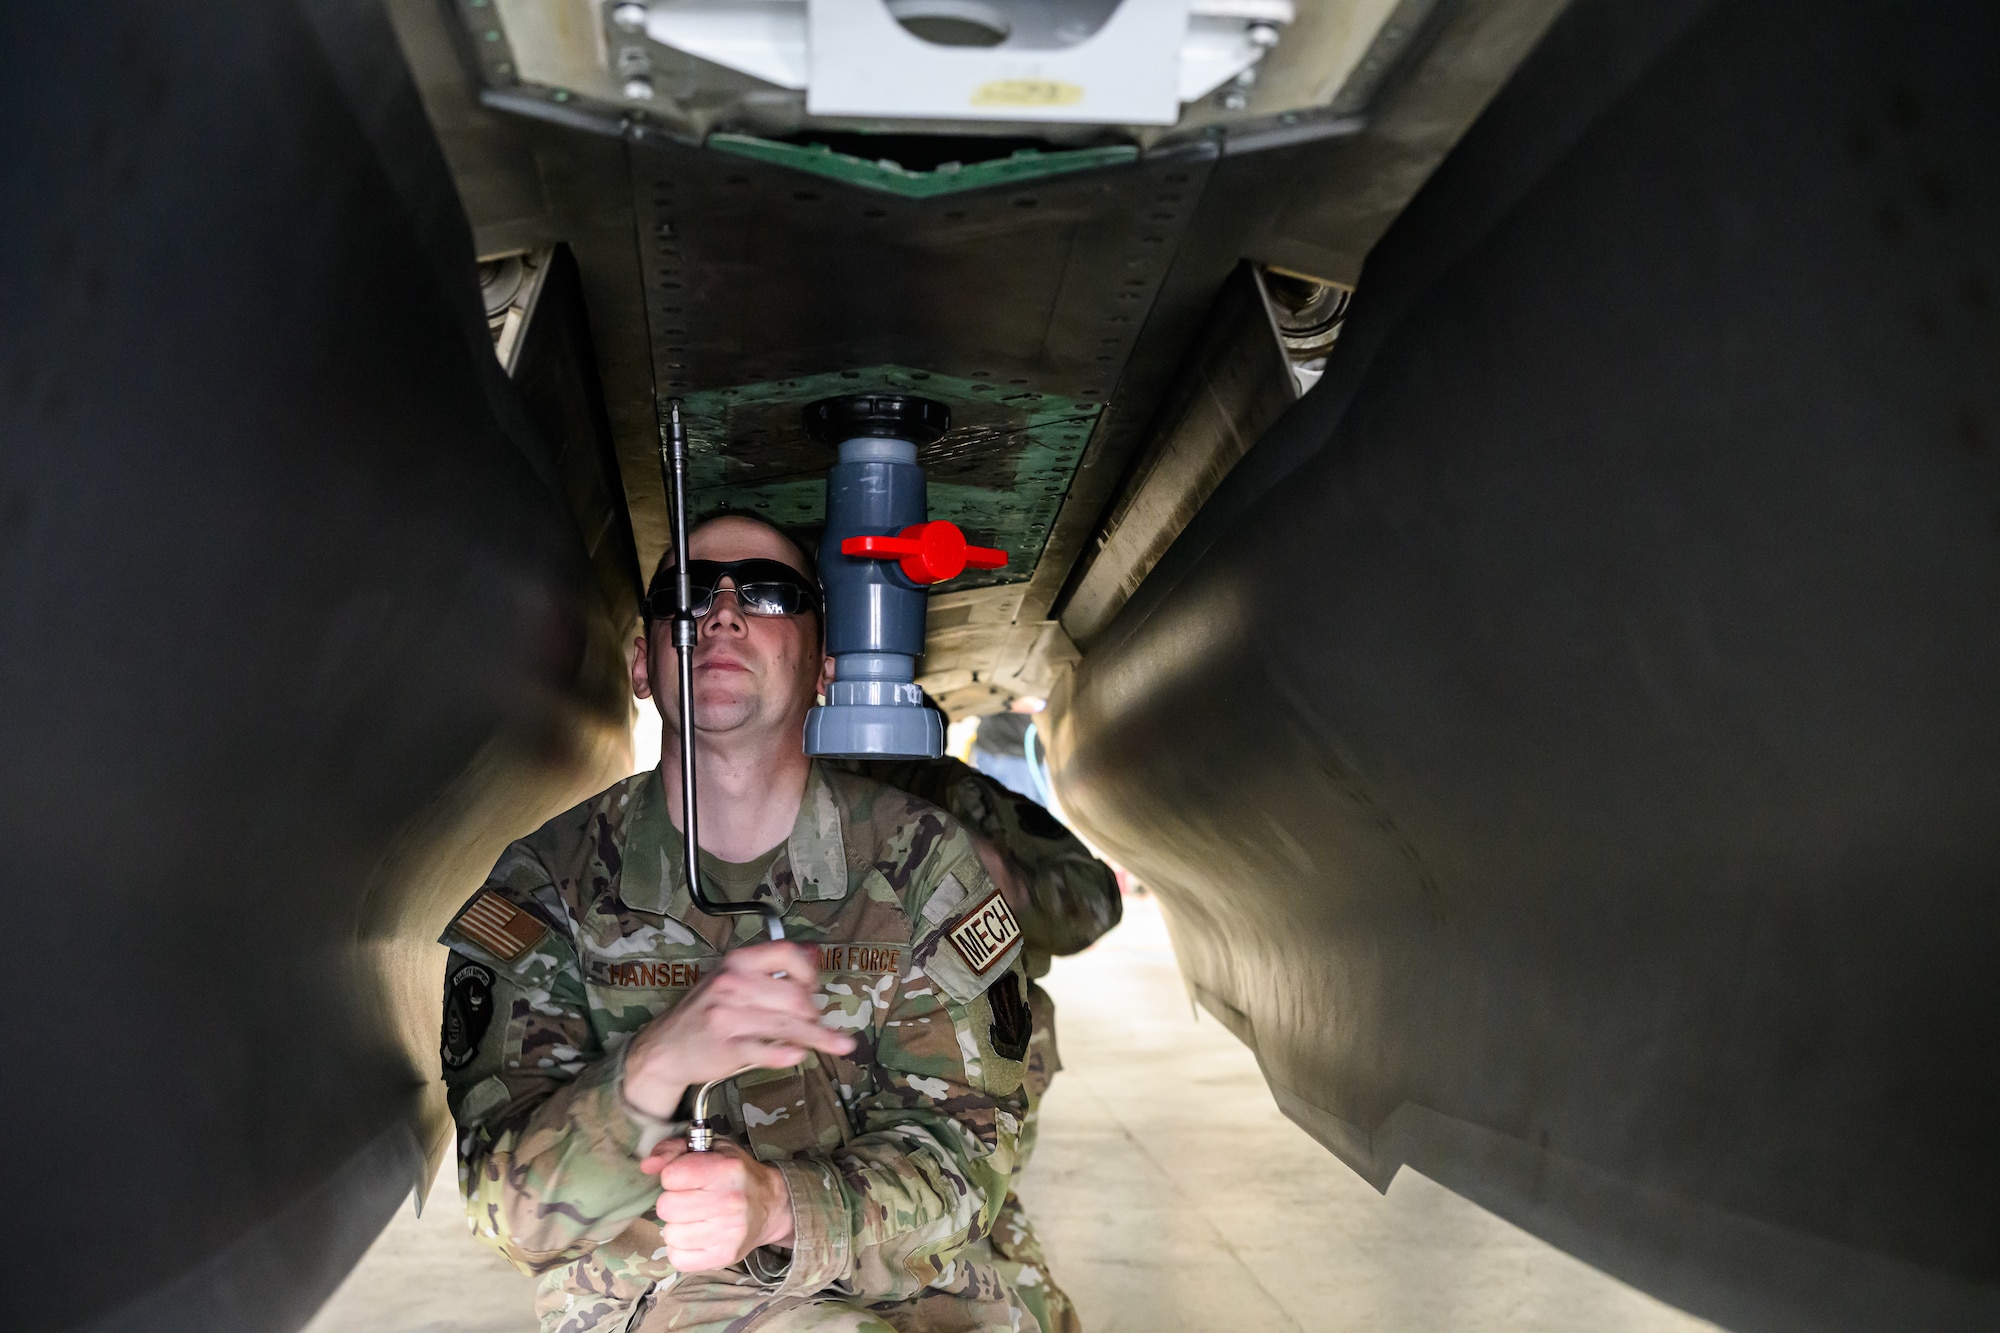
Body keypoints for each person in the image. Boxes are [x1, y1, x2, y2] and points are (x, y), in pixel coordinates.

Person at [437, 515, 1040, 1333]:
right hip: (656, 1296)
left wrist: (780, 1205)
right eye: (686, 595)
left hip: (898, 1287)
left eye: (769, 594)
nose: (721, 613)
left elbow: (971, 1154)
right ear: (643, 663)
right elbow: (508, 1214)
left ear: (824, 669)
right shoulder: (550, 884)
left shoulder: (920, 863)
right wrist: (655, 1062)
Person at [841, 741, 1121, 1333]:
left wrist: (989, 868)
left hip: (974, 1052)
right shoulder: (766, 788)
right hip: (834, 1071)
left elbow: (1093, 901)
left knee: (979, 1240)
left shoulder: (950, 793)